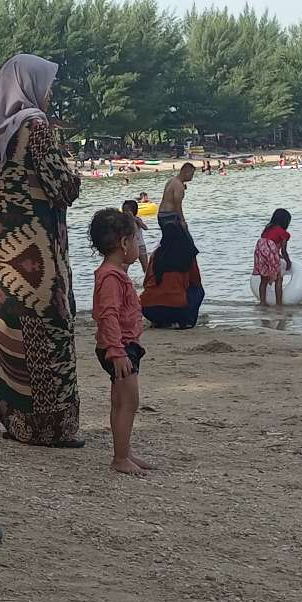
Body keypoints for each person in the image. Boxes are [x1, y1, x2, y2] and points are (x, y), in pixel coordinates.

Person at [0, 53, 83, 448]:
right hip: (38, 254)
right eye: (47, 84)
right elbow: (63, 187)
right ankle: (50, 429)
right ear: (30, 85)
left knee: (11, 328)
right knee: (48, 330)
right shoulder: (35, 126)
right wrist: (73, 173)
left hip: (8, 256)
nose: (50, 92)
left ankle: (16, 421)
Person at [89, 207, 152, 476]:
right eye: (136, 239)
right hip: (119, 348)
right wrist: (116, 352)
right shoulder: (110, 277)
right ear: (124, 243)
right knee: (129, 402)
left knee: (120, 401)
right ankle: (120, 457)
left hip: (122, 346)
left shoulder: (115, 273)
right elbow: (108, 315)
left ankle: (123, 450)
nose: (139, 245)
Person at [139, 240, 203, 328]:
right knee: (199, 291)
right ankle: (187, 321)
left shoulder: (156, 254)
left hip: (148, 310)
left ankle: (158, 321)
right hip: (176, 309)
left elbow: (146, 283)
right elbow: (196, 282)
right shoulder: (188, 254)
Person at [252, 207, 291, 305]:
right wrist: (288, 261)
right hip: (269, 251)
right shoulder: (283, 233)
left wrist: (276, 255)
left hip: (259, 251)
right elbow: (283, 250)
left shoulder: (267, 229)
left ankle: (262, 302)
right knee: (278, 279)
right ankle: (278, 304)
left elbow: (267, 246)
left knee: (263, 279)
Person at [158, 162, 196, 249]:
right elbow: (177, 204)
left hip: (161, 215)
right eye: (192, 174)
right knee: (187, 243)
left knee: (168, 243)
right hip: (169, 217)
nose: (192, 177)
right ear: (185, 172)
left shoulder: (172, 180)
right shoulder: (179, 185)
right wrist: (182, 220)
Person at [122, 197, 153, 280]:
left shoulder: (137, 219)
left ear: (133, 211)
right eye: (124, 210)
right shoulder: (124, 222)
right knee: (124, 266)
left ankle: (149, 281)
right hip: (130, 247)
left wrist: (136, 220)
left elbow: (145, 228)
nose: (125, 213)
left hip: (140, 246)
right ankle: (124, 281)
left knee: (145, 267)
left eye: (127, 211)